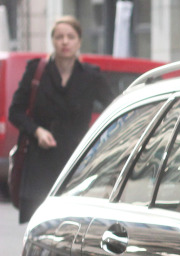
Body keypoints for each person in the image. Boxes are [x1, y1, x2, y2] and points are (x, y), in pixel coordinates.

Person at [8, 16, 115, 223]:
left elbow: (114, 107)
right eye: (59, 37)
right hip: (40, 160)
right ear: (52, 41)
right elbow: (16, 111)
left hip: (76, 161)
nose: (65, 42)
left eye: (70, 37)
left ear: (79, 42)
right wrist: (37, 131)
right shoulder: (36, 71)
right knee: (39, 225)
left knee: (70, 224)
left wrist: (96, 139)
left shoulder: (91, 75)